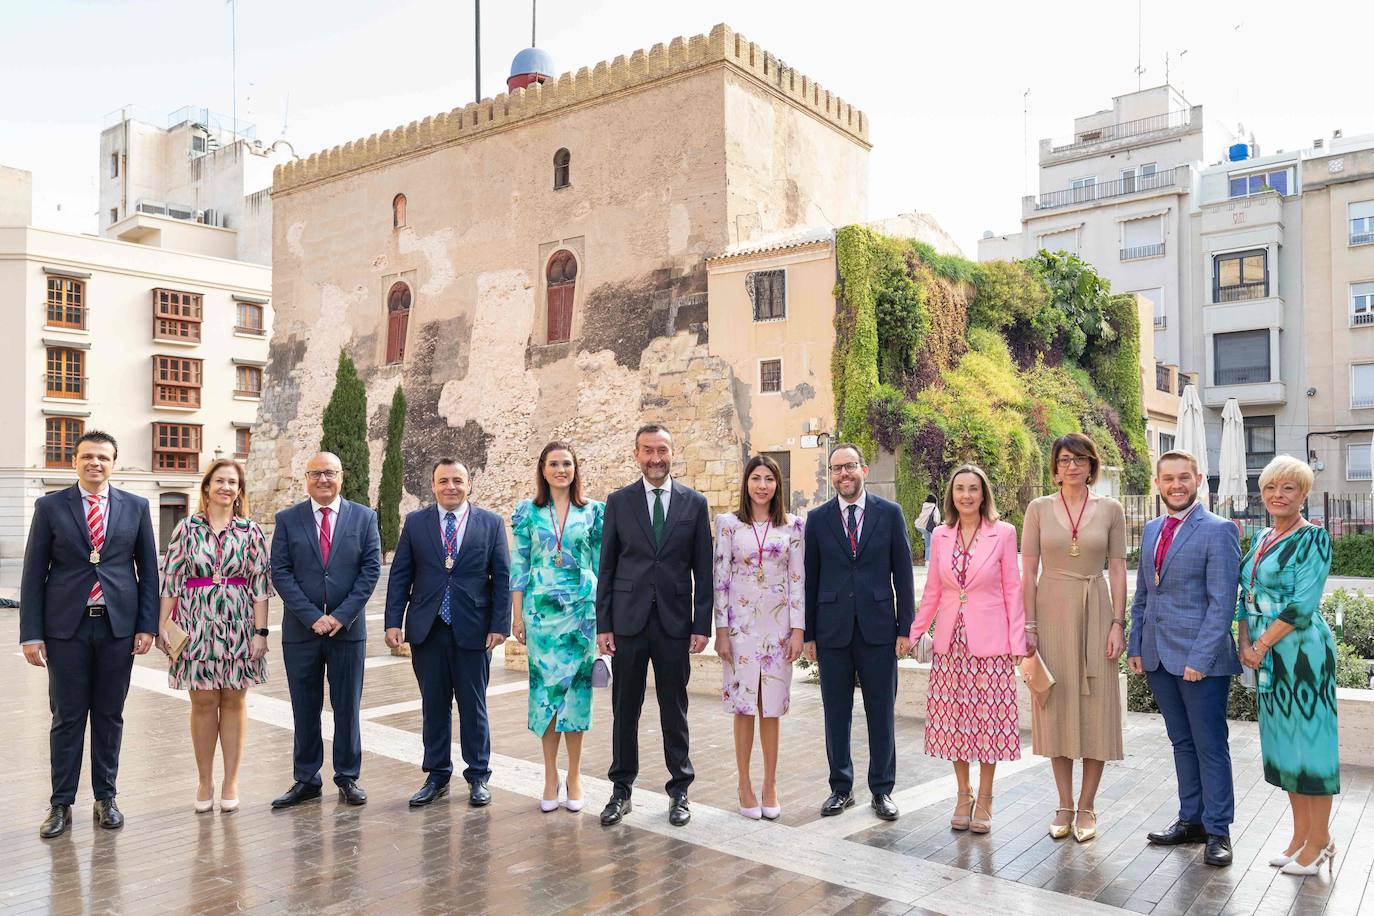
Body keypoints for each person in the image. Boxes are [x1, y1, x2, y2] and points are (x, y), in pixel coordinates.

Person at [21, 430, 158, 839]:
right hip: (67, 629)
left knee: (110, 715)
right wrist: (31, 633)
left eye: (102, 457)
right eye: (87, 456)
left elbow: (148, 571)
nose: (94, 463)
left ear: (113, 462)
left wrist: (146, 625)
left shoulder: (136, 506)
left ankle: (106, 797)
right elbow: (33, 574)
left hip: (118, 627)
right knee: (66, 717)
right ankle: (60, 804)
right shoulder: (49, 507)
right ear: (75, 461)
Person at [1127, 450, 1242, 867]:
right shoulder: (1153, 529)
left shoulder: (1219, 530)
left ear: (1198, 480)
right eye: (1168, 479)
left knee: (1210, 744)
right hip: (1158, 657)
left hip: (1201, 662)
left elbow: (1222, 602)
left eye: (1184, 478)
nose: (1176, 485)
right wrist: (1135, 644)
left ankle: (1218, 830)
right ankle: (1191, 819)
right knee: (1181, 743)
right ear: (1157, 484)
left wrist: (1201, 657)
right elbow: (1143, 593)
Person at [596, 423, 713, 828]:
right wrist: (603, 624)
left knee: (673, 708)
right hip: (628, 622)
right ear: (636, 454)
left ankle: (680, 789)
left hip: (674, 623)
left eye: (662, 450)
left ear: (672, 452)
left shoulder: (694, 504)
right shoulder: (619, 501)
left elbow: (704, 570)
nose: (655, 458)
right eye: (647, 451)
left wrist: (702, 625)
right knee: (624, 709)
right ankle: (620, 789)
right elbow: (607, 566)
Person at [386, 458, 511, 808]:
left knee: (474, 706)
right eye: (443, 481)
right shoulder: (416, 523)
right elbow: (400, 576)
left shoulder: (490, 523)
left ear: (469, 484)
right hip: (428, 629)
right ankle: (437, 774)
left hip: (473, 629)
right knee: (434, 705)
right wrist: (393, 621)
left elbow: (502, 576)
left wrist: (500, 625)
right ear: (433, 484)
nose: (450, 487)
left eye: (457, 480)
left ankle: (478, 776)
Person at [1021, 433, 1126, 843]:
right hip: (1050, 610)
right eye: (1065, 459)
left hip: (1096, 607)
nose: (1072, 466)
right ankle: (1064, 803)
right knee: (1057, 706)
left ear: (1091, 464)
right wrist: (1029, 626)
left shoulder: (1111, 509)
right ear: (1055, 466)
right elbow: (1027, 571)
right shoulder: (1038, 508)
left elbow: (1118, 569)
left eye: (1080, 459)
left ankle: (1088, 805)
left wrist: (1118, 622)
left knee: (1097, 708)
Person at [1238, 455, 1340, 876]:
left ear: (1304, 494)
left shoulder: (1313, 538)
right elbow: (1244, 592)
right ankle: (1302, 836)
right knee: (1284, 749)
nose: (1277, 496)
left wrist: (1259, 644)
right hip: (1265, 654)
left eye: (1288, 489)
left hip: (1301, 653)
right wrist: (1243, 638)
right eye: (1270, 488)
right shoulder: (1260, 536)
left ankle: (1320, 841)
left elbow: (1302, 604)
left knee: (1310, 749)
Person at [803, 443, 915, 822]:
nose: (843, 474)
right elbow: (810, 579)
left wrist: (906, 627)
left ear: (863, 469)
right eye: (836, 469)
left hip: (879, 630)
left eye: (849, 466)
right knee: (836, 714)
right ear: (830, 475)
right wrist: (808, 635)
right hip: (832, 631)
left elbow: (903, 574)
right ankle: (841, 788)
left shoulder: (890, 513)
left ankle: (882, 791)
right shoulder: (817, 520)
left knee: (880, 713)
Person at [911, 464, 1025, 834]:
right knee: (955, 722)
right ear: (951, 495)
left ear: (983, 493)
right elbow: (933, 591)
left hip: (991, 644)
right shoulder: (942, 535)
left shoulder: (1003, 534)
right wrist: (914, 633)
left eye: (973, 488)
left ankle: (987, 798)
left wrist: (1017, 641)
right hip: (950, 643)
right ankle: (963, 794)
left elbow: (1013, 590)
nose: (966, 495)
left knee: (989, 722)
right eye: (959, 488)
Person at [157, 459, 272, 813]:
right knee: (203, 703)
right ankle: (205, 780)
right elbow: (172, 581)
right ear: (207, 487)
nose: (225, 487)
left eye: (232, 482)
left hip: (239, 623)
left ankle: (231, 782)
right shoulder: (186, 529)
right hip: (195, 624)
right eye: (219, 480)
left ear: (239, 491)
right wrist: (163, 628)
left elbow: (260, 586)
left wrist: (260, 633)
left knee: (235, 702)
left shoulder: (251, 531)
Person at [269, 452, 381, 809]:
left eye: (329, 473)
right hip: (302, 631)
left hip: (347, 631)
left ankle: (348, 777)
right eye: (315, 473)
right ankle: (306, 778)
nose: (323, 480)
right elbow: (280, 572)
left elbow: (370, 570)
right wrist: (312, 615)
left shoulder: (365, 518)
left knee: (347, 706)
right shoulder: (288, 520)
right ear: (306, 478)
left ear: (341, 476)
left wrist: (341, 616)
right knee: (304, 707)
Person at [510, 442, 603, 813]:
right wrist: (517, 616)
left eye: (567, 463)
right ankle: (550, 774)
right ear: (543, 470)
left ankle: (575, 775)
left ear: (575, 469)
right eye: (554, 464)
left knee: (577, 695)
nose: (561, 469)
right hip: (540, 616)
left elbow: (602, 565)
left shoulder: (594, 512)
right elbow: (518, 568)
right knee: (545, 695)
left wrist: (605, 614)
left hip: (582, 614)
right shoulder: (527, 514)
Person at [712, 454, 805, 820]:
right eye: (756, 478)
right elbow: (720, 579)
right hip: (740, 626)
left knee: (772, 707)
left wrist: (798, 630)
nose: (763, 485)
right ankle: (744, 783)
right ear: (746, 483)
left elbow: (798, 580)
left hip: (778, 625)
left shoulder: (793, 526)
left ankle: (770, 783)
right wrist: (721, 631)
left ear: (777, 485)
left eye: (769, 479)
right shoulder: (728, 524)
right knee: (743, 706)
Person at [913, 493, 940, 566]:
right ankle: (928, 561)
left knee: (927, 544)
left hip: (921, 526)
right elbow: (936, 519)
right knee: (929, 545)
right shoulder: (934, 507)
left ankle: (928, 560)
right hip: (928, 527)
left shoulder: (924, 506)